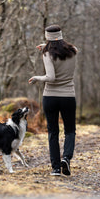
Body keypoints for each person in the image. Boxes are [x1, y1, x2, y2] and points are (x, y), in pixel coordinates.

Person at [28, 25, 78, 176]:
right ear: (60, 35)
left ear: (47, 37)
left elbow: (51, 77)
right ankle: (66, 159)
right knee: (70, 130)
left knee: (53, 132)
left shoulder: (47, 54)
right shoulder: (74, 51)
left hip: (50, 96)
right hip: (68, 96)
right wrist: (49, 46)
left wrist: (37, 78)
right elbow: (64, 47)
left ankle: (56, 168)